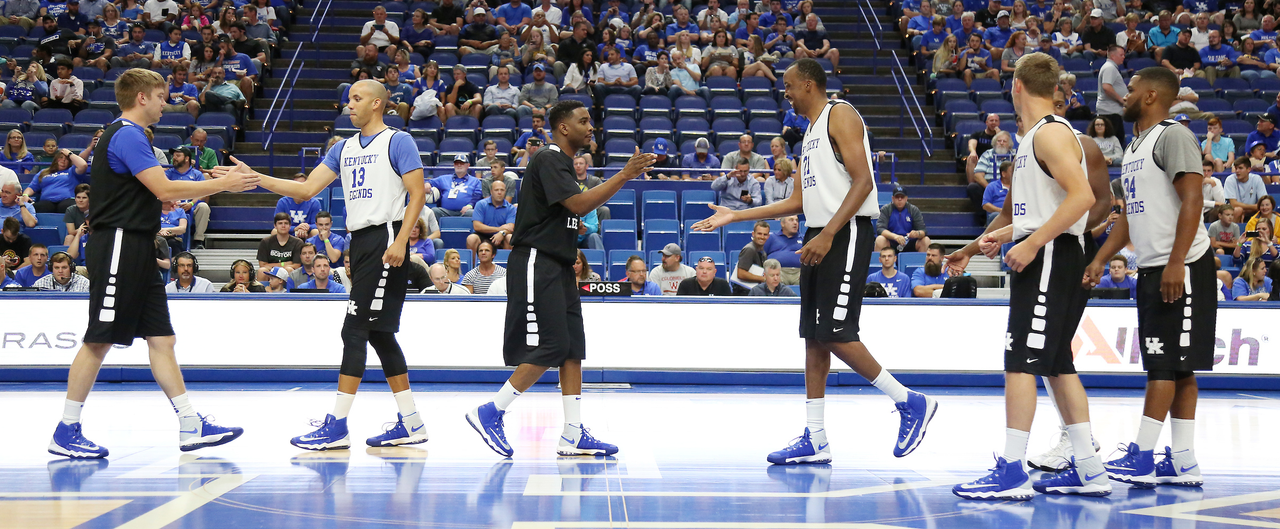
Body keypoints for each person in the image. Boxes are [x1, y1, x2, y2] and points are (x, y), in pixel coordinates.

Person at [692, 58, 937, 466]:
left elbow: (864, 182)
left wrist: (827, 234)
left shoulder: (840, 114)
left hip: (846, 232)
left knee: (836, 332)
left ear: (808, 84)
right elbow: (796, 201)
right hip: (820, 233)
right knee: (814, 336)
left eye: (789, 85)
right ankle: (816, 437)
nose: (785, 93)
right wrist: (735, 215)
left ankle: (910, 401)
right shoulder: (808, 133)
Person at [48, 68, 257, 459]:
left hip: (137, 244)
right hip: (119, 244)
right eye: (161, 96)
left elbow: (144, 190)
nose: (166, 103)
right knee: (99, 339)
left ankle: (190, 423)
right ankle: (66, 429)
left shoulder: (126, 135)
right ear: (141, 97)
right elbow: (163, 186)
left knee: (162, 338)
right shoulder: (128, 134)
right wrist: (222, 184)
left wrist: (154, 200)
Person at [215, 78, 430, 450]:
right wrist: (255, 178)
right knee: (379, 334)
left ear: (377, 103)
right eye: (349, 99)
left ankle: (338, 425)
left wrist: (400, 241)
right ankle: (412, 423)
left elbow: (418, 193)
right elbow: (305, 190)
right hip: (361, 241)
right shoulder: (343, 148)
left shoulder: (398, 141)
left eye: (357, 98)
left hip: (385, 238)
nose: (350, 104)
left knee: (354, 331)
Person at [465, 99, 655, 459]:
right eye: (583, 121)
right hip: (538, 261)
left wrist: (568, 226)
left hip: (560, 263)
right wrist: (624, 174)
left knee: (572, 350)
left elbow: (565, 212)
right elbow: (579, 204)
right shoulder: (549, 157)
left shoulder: (563, 164)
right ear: (564, 128)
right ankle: (491, 411)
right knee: (551, 346)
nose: (591, 126)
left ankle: (572, 433)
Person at [24, 148, 89, 213]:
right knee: (34, 208)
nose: (63, 161)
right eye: (61, 158)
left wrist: (69, 154)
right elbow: (31, 188)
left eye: (66, 159)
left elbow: (83, 165)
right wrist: (25, 195)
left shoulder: (72, 171)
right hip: (47, 202)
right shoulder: (43, 172)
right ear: (56, 160)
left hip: (67, 200)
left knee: (67, 207)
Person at [875, 186, 931, 252]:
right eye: (897, 197)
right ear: (893, 198)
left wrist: (917, 233)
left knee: (926, 240)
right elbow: (880, 229)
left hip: (910, 242)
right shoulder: (886, 209)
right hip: (892, 241)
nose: (900, 199)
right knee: (880, 240)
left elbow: (923, 231)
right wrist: (895, 237)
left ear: (906, 198)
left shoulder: (913, 210)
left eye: (902, 197)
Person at [468, 179, 517, 252]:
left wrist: (502, 233)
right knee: (471, 239)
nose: (499, 192)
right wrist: (499, 229)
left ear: (505, 191)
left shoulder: (511, 208)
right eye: (496, 190)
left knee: (510, 237)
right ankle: (473, 260)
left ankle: (507, 259)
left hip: (502, 236)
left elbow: (511, 227)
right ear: (491, 191)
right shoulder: (481, 204)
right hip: (483, 235)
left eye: (502, 190)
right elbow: (477, 226)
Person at [256, 213, 305, 279]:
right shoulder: (265, 242)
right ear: (275, 226)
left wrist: (271, 265)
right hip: (270, 272)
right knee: (261, 271)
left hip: (287, 272)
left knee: (289, 269)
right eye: (280, 223)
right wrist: (284, 264)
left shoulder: (298, 242)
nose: (283, 226)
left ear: (290, 226)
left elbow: (296, 266)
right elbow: (262, 265)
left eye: (286, 223)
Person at [1097, 45, 1128, 139]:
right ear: (1113, 56)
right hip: (1110, 113)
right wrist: (1121, 100)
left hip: (1113, 112)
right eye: (1121, 55)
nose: (1124, 57)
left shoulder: (1111, 67)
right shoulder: (1109, 68)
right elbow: (1106, 87)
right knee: (1114, 141)